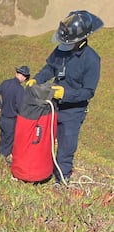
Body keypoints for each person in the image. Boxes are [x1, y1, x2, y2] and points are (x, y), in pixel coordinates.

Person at [31, 10, 103, 185]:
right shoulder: (62, 49)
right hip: (53, 105)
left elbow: (88, 91)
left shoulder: (92, 59)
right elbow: (50, 67)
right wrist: (36, 79)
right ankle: (40, 171)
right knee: (44, 138)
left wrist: (66, 94)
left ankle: (61, 179)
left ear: (80, 40)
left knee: (66, 146)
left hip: (73, 112)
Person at [0, 65, 30, 160]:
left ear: (16, 73)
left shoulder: (5, 83)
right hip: (12, 120)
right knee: (8, 144)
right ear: (24, 77)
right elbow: (20, 107)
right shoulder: (20, 90)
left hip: (2, 118)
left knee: (3, 141)